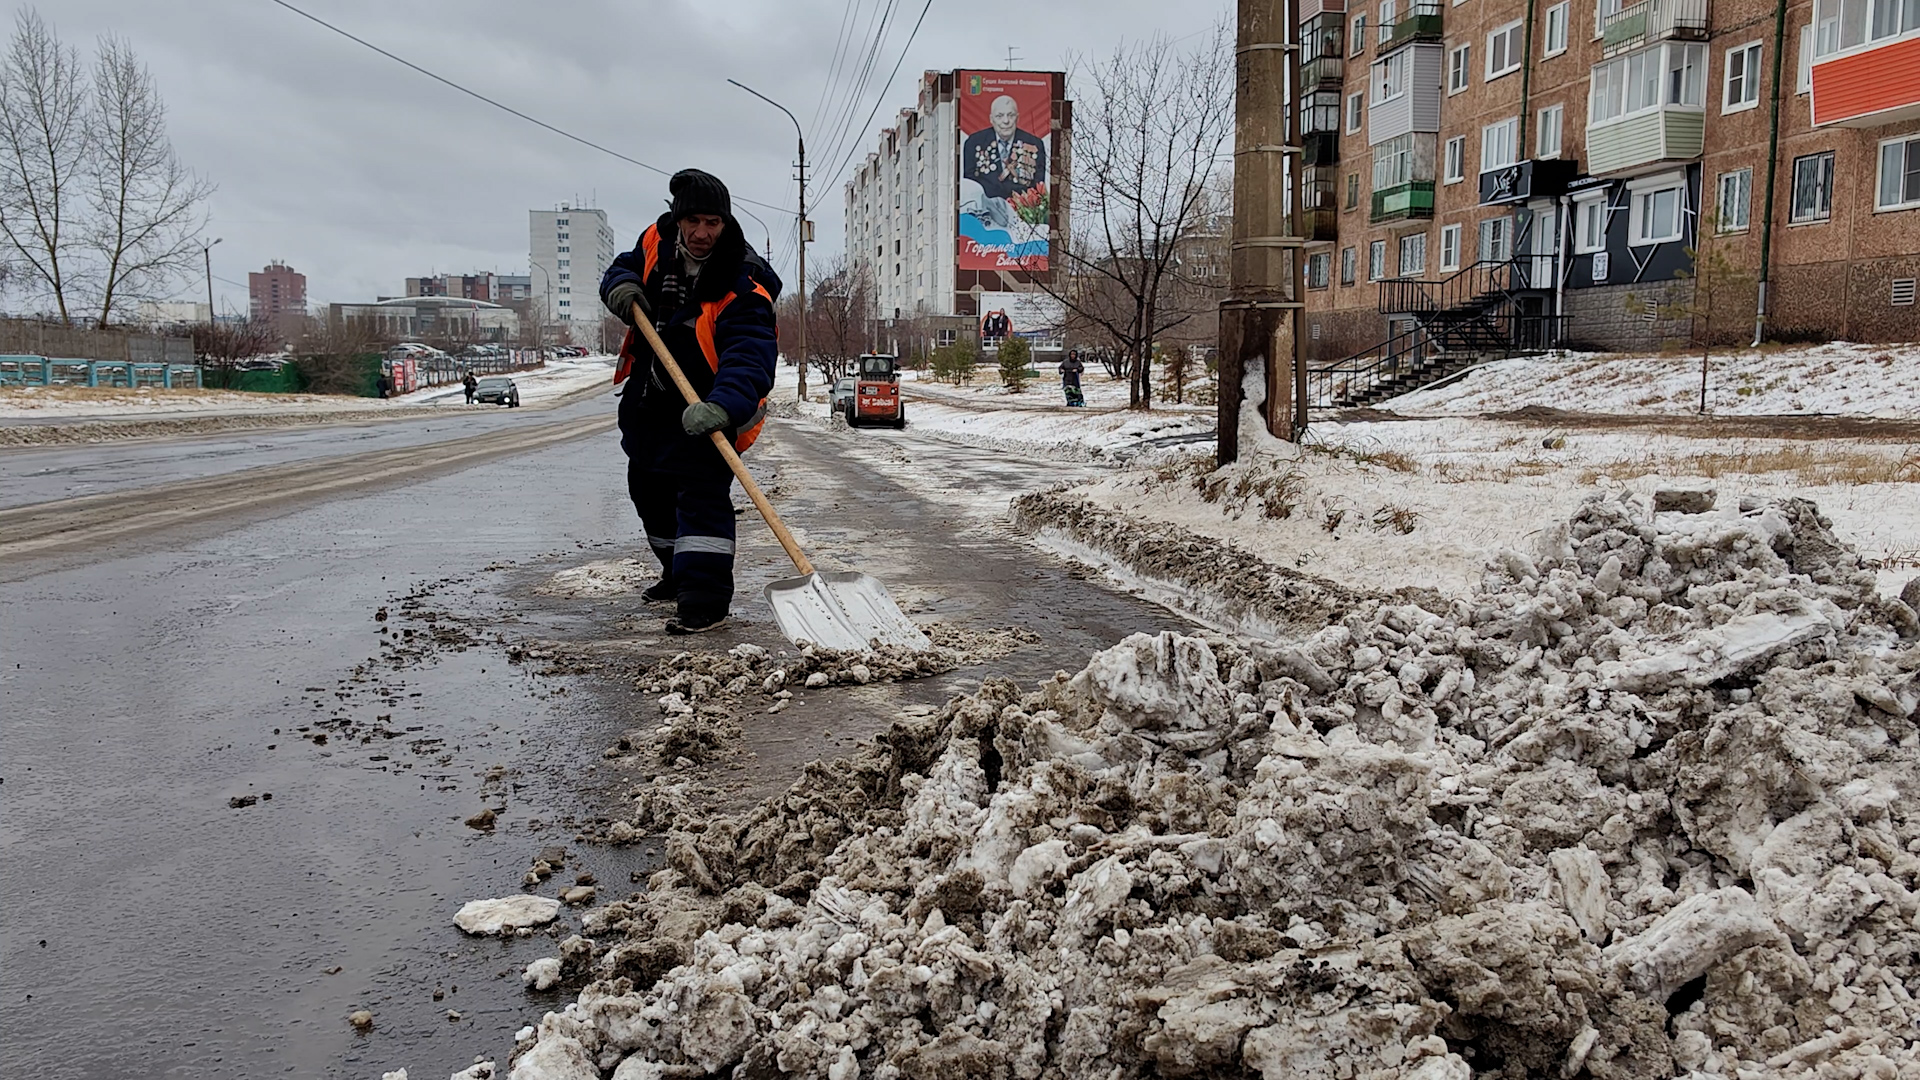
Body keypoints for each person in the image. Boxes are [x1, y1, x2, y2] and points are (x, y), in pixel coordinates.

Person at [600, 169, 780, 635]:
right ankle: (676, 573)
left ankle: (704, 603)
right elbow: (621, 268)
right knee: (648, 490)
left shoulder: (743, 287)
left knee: (701, 503)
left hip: (711, 408)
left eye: (713, 223)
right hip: (653, 403)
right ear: (678, 220)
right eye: (694, 221)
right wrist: (620, 287)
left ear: (725, 225)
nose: (702, 233)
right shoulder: (655, 244)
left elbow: (749, 358)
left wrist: (722, 406)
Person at [962, 95, 1048, 202]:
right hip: (985, 211)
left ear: (1017, 117)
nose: (1006, 121)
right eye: (999, 116)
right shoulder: (974, 143)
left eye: (1010, 115)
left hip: (1021, 211)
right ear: (991, 119)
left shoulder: (1034, 144)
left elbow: (1038, 185)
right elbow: (970, 184)